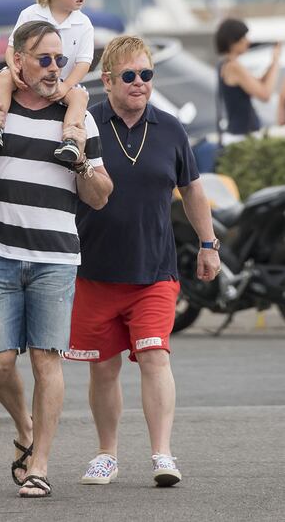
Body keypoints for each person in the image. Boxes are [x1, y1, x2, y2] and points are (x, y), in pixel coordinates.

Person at [0, 20, 113, 499]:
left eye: (60, 59)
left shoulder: (79, 119)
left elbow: (100, 195)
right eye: (44, 59)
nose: (55, 69)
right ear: (18, 61)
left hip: (56, 258)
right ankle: (25, 428)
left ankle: (41, 465)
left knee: (45, 360)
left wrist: (79, 164)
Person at [65, 35, 221, 488]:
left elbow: (192, 189)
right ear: (108, 79)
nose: (140, 84)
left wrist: (209, 244)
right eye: (130, 76)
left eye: (147, 75)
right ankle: (106, 454)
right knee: (104, 365)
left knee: (155, 356)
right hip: (93, 270)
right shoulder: (86, 123)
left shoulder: (171, 128)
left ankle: (162, 454)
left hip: (154, 270)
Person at [0, 0, 100, 163]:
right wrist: (15, 69)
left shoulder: (84, 24)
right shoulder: (31, 14)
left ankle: (70, 141)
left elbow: (84, 62)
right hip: (28, 77)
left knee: (79, 97)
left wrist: (67, 86)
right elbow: (12, 48)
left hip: (60, 83)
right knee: (4, 78)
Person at [215, 18, 281, 143]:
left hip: (238, 135)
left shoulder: (224, 64)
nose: (248, 41)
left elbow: (258, 83)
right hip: (243, 138)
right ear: (233, 41)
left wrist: (272, 63)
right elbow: (265, 95)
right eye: (244, 38)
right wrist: (276, 61)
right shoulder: (234, 67)